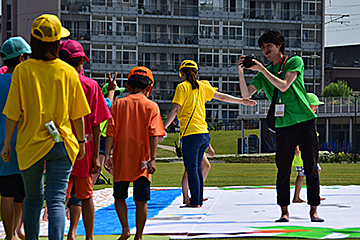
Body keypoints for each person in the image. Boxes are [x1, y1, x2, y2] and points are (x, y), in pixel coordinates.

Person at [0, 14, 91, 239]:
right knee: (57, 200)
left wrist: (6, 144)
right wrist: (81, 143)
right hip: (62, 142)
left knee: (32, 199)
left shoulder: (22, 71)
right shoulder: (68, 72)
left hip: (29, 143)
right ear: (57, 42)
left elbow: (13, 113)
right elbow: (77, 115)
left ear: (34, 40)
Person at [237, 30, 324, 222]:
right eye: (262, 47)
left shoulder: (294, 62)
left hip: (304, 121)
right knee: (282, 169)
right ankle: (284, 212)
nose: (265, 50)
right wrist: (241, 72)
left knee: (311, 168)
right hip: (284, 125)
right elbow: (246, 95)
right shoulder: (263, 73)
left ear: (279, 46)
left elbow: (284, 85)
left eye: (269, 46)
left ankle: (314, 210)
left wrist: (261, 69)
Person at [162, 59, 256, 208]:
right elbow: (223, 97)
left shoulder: (182, 87)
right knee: (198, 168)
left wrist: (164, 128)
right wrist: (242, 101)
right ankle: (197, 200)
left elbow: (175, 109)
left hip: (190, 134)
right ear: (197, 73)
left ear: (181, 74)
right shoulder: (203, 86)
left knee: (192, 169)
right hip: (204, 135)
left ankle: (194, 202)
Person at [59, 39, 112, 240]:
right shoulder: (91, 85)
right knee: (85, 195)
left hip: (58, 145)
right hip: (85, 146)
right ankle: (87, 237)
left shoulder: (56, 81)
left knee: (58, 196)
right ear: (81, 61)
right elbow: (97, 124)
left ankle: (67, 233)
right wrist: (97, 156)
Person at [104, 66, 166, 240]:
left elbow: (110, 131)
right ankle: (139, 235)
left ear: (128, 86)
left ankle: (125, 229)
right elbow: (154, 133)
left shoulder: (117, 105)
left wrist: (107, 156)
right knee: (141, 199)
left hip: (121, 158)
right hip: (143, 159)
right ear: (149, 88)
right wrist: (153, 159)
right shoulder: (152, 106)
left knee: (119, 196)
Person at [0, 36, 31, 240]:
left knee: (6, 191)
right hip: (25, 141)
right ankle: (14, 231)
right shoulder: (27, 81)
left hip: (2, 142)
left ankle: (9, 233)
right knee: (22, 191)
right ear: (21, 58)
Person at [292, 93, 325, 203]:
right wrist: (296, 147)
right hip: (301, 153)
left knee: (314, 171)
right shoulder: (300, 119)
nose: (315, 110)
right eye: (313, 107)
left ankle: (313, 195)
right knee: (302, 175)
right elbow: (295, 134)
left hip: (308, 151)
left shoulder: (309, 119)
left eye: (316, 108)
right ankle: (298, 197)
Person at [92, 78, 126, 183]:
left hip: (103, 141)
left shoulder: (112, 111)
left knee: (100, 169)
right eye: (116, 95)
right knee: (96, 170)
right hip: (100, 140)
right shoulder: (104, 109)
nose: (117, 98)